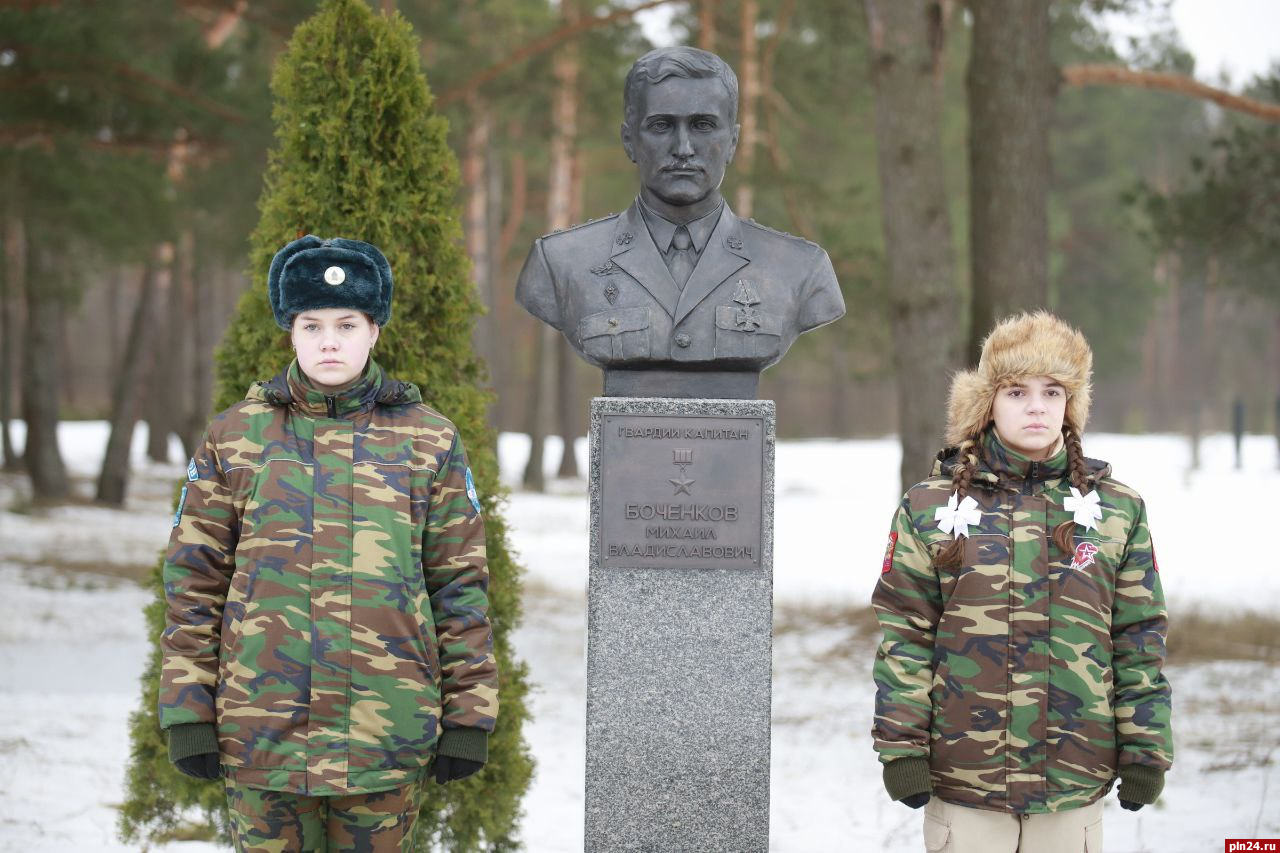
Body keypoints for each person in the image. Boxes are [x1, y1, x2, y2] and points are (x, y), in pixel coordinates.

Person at [157, 235, 499, 851]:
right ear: (290, 333)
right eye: (311, 325)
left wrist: (469, 715)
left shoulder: (428, 440)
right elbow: (194, 581)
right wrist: (188, 710)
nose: (329, 342)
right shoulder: (235, 437)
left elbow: (460, 585)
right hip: (261, 732)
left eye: (347, 324)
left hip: (386, 734)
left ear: (374, 331)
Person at [871, 311, 1172, 853]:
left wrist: (1145, 747)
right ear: (988, 402)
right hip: (966, 778)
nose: (1037, 406)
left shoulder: (1117, 510)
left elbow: (1139, 635)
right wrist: (902, 748)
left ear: (1070, 403)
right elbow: (906, 636)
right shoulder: (930, 506)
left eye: (1052, 391)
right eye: (1017, 391)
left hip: (1073, 777)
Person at [515, 46, 845, 399]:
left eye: (703, 126)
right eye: (661, 126)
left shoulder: (799, 268)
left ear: (732, 142)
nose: (683, 148)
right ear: (629, 140)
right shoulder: (561, 261)